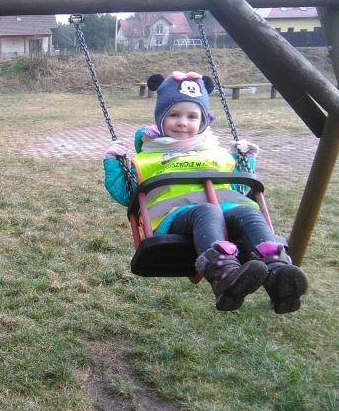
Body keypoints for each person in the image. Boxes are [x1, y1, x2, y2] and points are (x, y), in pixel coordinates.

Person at [103, 71, 307, 313]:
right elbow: (127, 194)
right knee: (207, 211)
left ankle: (277, 272)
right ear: (161, 119)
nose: (182, 122)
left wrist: (245, 159)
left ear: (203, 121)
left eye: (192, 116)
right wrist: (114, 162)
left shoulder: (217, 153)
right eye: (174, 115)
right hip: (175, 216)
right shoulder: (147, 157)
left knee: (249, 213)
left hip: (227, 209)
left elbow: (239, 188)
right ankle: (224, 274)